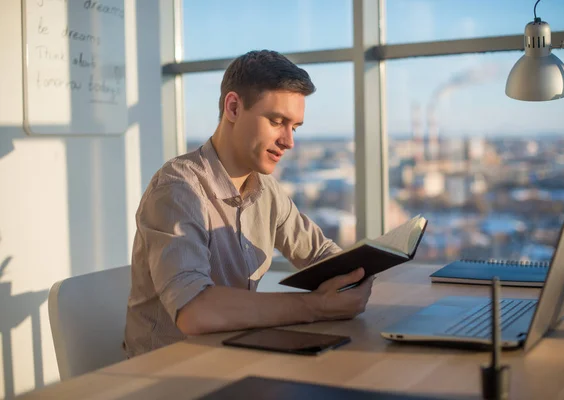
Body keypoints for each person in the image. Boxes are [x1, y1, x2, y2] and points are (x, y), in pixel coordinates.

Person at [124, 50, 375, 358]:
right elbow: (194, 310)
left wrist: (358, 276)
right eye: (277, 121)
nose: (289, 141)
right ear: (233, 107)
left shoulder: (265, 188)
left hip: (238, 355)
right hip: (168, 375)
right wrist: (316, 306)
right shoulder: (177, 190)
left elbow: (320, 256)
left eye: (294, 127)